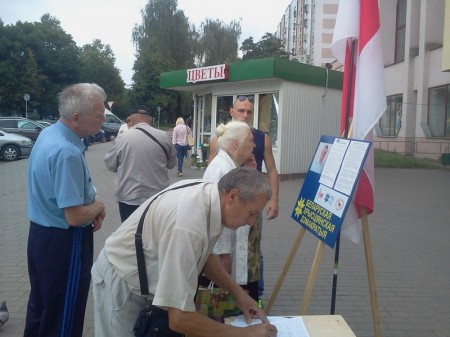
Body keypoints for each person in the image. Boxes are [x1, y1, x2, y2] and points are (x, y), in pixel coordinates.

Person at [91, 167, 277, 337]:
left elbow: (204, 256)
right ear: (233, 196)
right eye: (251, 213)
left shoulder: (212, 197)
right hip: (122, 280)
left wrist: (239, 294)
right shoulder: (189, 225)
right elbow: (179, 318)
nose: (252, 222)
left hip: (141, 277)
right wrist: (243, 334)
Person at [25, 83, 107, 337]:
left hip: (41, 235)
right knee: (64, 316)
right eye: (99, 115)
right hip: (64, 243)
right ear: (76, 118)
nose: (103, 120)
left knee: (42, 308)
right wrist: (99, 206)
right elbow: (74, 217)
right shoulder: (66, 151)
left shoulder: (50, 136)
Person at [208, 95, 280, 303]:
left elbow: (272, 170)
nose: (245, 115)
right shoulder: (220, 140)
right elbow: (214, 186)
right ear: (232, 111)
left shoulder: (260, 137)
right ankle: (236, 295)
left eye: (249, 111)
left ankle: (254, 292)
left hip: (251, 205)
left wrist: (274, 199)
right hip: (230, 208)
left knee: (252, 251)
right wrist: (221, 251)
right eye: (241, 110)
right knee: (233, 255)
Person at [202, 121, 257, 296]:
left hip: (222, 249)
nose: (254, 145)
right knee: (219, 296)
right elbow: (217, 213)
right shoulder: (223, 169)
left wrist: (249, 174)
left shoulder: (228, 165)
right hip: (220, 252)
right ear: (236, 144)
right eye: (250, 140)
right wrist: (223, 253)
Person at [104, 105, 176, 222]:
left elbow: (110, 165)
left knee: (130, 236)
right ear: (150, 119)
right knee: (154, 235)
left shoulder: (122, 139)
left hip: (129, 197)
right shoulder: (164, 137)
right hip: (157, 197)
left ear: (130, 120)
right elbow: (172, 164)